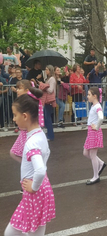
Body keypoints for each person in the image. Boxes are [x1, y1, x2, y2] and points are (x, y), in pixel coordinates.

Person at [4, 87, 56, 236]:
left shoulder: (31, 142)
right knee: (24, 230)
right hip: (40, 189)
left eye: (15, 115)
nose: (13, 119)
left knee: (15, 232)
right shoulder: (40, 134)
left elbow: (40, 169)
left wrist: (34, 186)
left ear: (25, 116)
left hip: (35, 191)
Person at [83, 87, 106, 185]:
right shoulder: (94, 106)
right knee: (85, 153)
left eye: (89, 95)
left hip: (94, 132)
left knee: (92, 155)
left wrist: (96, 127)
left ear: (94, 96)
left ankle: (96, 176)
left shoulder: (97, 106)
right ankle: (101, 164)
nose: (87, 96)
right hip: (91, 132)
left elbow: (101, 117)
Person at [9, 80, 33, 163]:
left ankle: (28, 166)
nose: (17, 90)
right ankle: (27, 165)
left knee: (18, 153)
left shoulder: (29, 102)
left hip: (27, 132)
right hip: (23, 131)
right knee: (14, 153)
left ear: (27, 90)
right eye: (17, 88)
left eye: (20, 88)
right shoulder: (20, 101)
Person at [39, 65, 56, 141]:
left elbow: (50, 90)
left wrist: (44, 86)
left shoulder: (51, 79)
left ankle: (50, 135)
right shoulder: (48, 79)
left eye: (47, 69)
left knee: (47, 118)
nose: (46, 71)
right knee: (47, 118)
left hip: (48, 101)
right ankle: (49, 134)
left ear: (50, 70)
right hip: (47, 100)